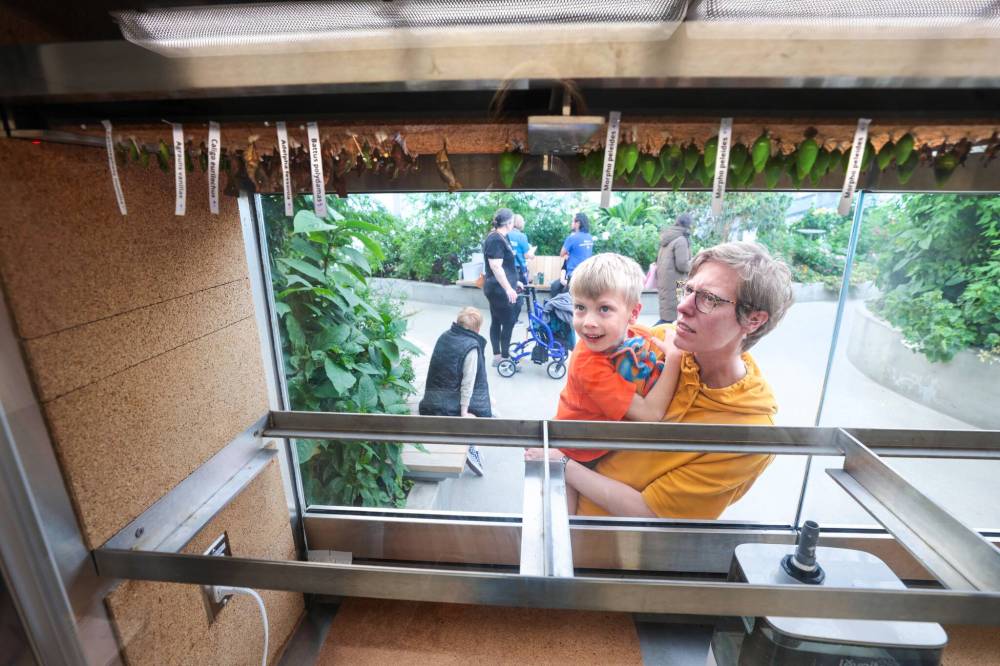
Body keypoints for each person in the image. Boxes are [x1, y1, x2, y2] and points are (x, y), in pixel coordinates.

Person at [528, 241, 793, 520]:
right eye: (688, 290)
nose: (683, 307)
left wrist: (563, 463)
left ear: (753, 320)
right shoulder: (660, 341)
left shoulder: (748, 433)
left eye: (709, 299)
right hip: (568, 520)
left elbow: (654, 513)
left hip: (618, 555)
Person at [536, 253, 683, 510]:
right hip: (574, 447)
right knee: (563, 523)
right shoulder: (588, 363)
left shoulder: (636, 335)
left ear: (633, 313)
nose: (588, 322)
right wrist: (673, 360)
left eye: (604, 309)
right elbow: (650, 414)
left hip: (602, 441)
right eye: (580, 308)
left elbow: (666, 336)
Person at [418, 306, 491, 474]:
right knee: (480, 415)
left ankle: (471, 444)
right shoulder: (471, 346)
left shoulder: (444, 336)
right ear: (477, 328)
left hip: (429, 403)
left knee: (489, 404)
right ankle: (473, 447)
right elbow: (468, 383)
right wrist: (464, 412)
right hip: (448, 409)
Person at [482, 208, 520, 367]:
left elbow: (505, 265)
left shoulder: (501, 237)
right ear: (509, 223)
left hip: (499, 287)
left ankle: (498, 356)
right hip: (499, 289)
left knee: (497, 320)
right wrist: (508, 289)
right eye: (513, 221)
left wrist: (515, 282)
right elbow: (496, 267)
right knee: (509, 322)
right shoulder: (496, 239)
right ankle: (503, 357)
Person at [656, 212, 693, 324]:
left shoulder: (669, 238)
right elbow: (682, 265)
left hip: (666, 281)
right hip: (678, 283)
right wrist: (695, 263)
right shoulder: (681, 240)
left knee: (667, 315)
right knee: (673, 318)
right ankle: (649, 335)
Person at [550, 212, 594, 297]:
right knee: (556, 286)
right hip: (586, 274)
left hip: (574, 275)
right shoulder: (589, 237)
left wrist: (567, 254)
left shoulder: (572, 238)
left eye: (573, 221)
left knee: (561, 294)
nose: (571, 223)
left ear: (578, 223)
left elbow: (562, 253)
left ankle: (556, 308)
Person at [508, 213, 535, 323]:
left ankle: (506, 318)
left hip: (507, 269)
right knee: (520, 295)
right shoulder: (522, 236)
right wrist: (532, 254)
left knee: (508, 293)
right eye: (523, 221)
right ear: (519, 223)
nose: (524, 223)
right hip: (519, 270)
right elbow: (527, 254)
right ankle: (513, 320)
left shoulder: (506, 234)